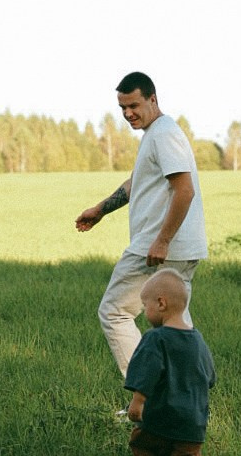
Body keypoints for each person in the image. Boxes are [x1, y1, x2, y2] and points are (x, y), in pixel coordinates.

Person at [75, 71, 207, 380]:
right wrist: (101, 210)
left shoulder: (163, 134)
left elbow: (184, 190)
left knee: (114, 312)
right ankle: (185, 398)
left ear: (152, 99)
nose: (128, 114)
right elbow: (137, 184)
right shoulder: (158, 134)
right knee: (176, 327)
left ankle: (146, 397)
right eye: (122, 108)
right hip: (179, 249)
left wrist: (162, 240)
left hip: (157, 248)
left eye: (134, 105)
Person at [123, 269, 215, 456]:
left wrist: (138, 402)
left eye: (146, 305)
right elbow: (209, 377)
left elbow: (146, 372)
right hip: (193, 422)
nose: (145, 311)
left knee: (143, 447)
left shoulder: (156, 338)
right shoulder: (198, 340)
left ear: (161, 303)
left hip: (160, 417)